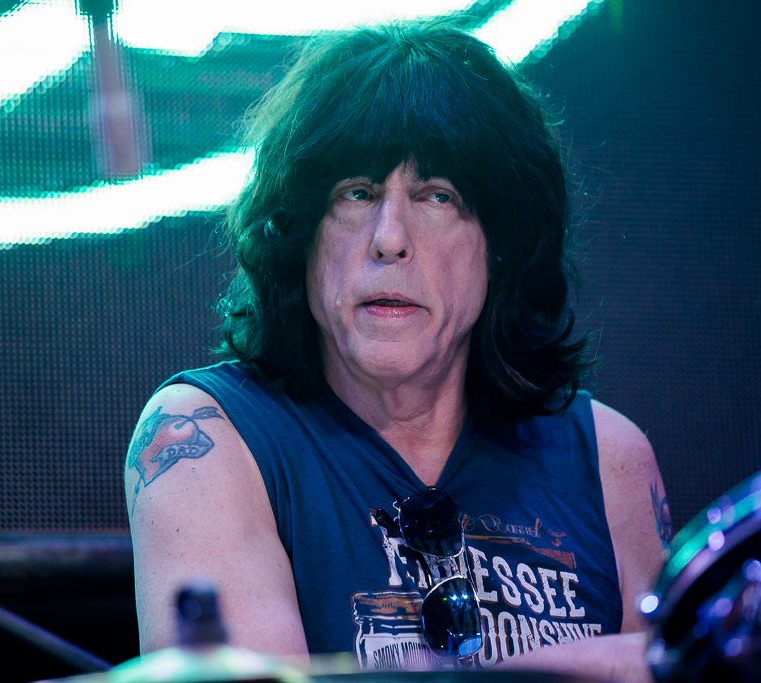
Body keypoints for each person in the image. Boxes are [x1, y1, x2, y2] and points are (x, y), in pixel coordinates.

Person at [125, 20, 671, 681]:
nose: (389, 238)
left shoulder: (609, 457)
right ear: (299, 235)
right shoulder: (203, 435)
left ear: (502, 244)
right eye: (356, 193)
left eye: (436, 195)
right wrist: (578, 667)